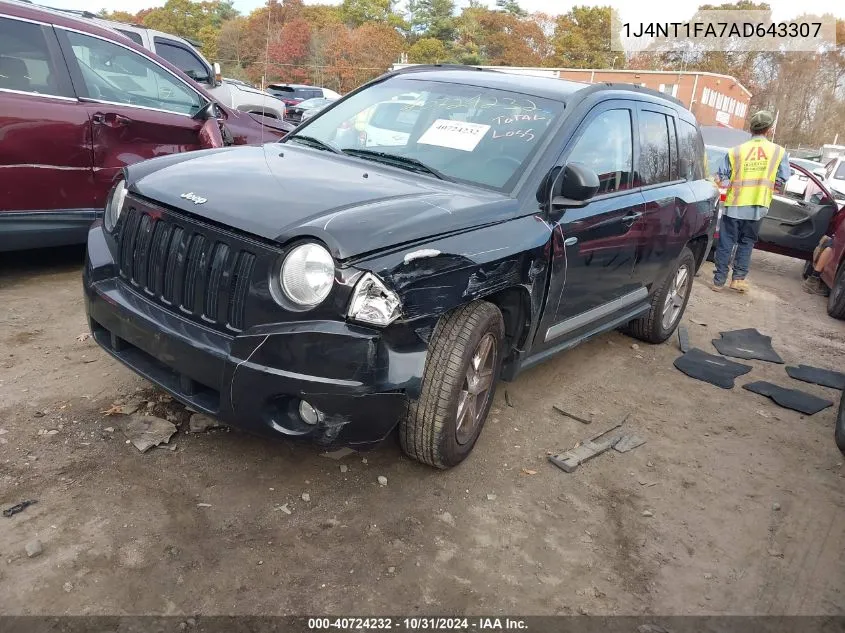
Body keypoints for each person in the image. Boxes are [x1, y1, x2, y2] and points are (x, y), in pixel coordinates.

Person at [712, 111, 790, 293]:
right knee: (747, 241)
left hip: (735, 204)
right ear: (769, 130)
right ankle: (738, 279)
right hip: (758, 205)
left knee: (726, 241)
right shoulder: (779, 152)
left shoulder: (736, 151)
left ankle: (718, 281)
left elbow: (721, 177)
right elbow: (782, 179)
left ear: (751, 129)